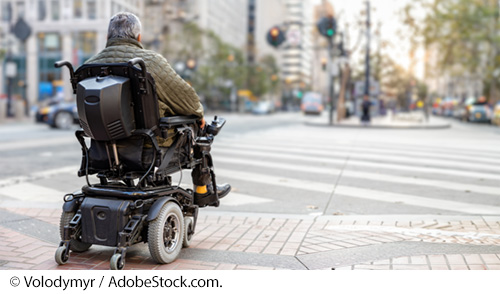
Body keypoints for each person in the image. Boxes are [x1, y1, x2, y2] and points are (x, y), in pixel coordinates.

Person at [85, 12, 230, 203]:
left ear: (107, 37)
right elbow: (188, 101)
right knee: (198, 124)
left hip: (101, 151)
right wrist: (199, 117)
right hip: (149, 149)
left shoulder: (88, 66)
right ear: (138, 37)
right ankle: (203, 189)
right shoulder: (150, 62)